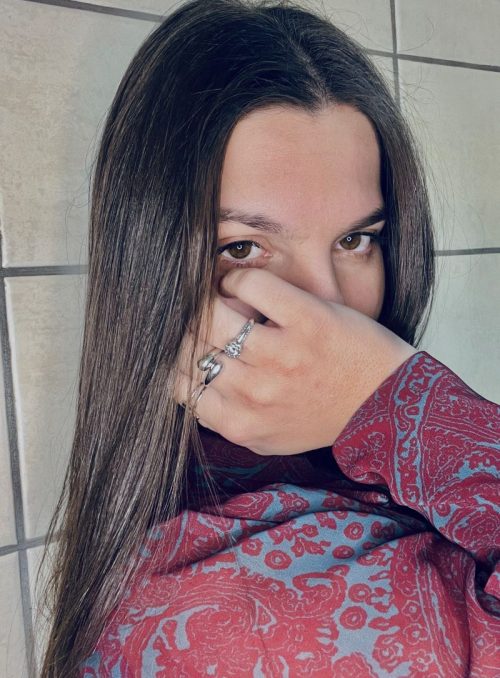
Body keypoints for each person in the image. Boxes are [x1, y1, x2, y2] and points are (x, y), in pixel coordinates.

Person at [37, 0, 499, 676]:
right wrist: (401, 404)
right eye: (244, 248)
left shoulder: (350, 468)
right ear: (149, 266)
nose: (328, 311)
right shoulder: (243, 622)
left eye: (355, 240)